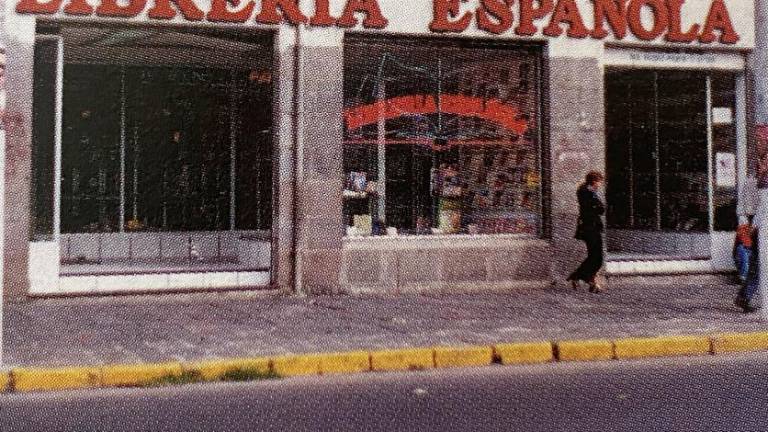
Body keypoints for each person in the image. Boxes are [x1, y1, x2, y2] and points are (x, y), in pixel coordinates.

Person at [567, 171, 606, 293]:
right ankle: (585, 278)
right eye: (599, 181)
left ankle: (581, 277)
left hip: (592, 227)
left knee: (595, 257)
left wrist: (598, 207)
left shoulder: (590, 191)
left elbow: (600, 209)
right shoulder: (586, 191)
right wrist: (597, 206)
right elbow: (598, 208)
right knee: (596, 257)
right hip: (589, 228)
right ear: (594, 181)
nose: (600, 184)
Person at [733, 216, 754, 284]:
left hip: (744, 247)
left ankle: (742, 278)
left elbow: (738, 239)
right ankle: (743, 278)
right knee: (745, 263)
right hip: (746, 247)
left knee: (744, 263)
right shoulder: (748, 228)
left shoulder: (742, 228)